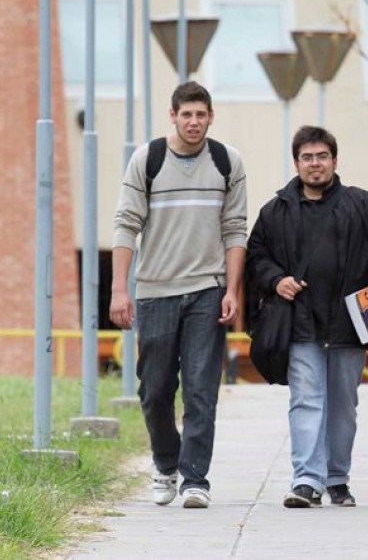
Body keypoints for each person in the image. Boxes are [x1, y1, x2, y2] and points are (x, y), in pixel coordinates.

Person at [247, 126, 368, 509]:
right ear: (296, 162)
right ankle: (306, 480)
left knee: (342, 405)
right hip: (299, 323)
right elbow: (256, 257)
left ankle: (337, 479)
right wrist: (276, 280)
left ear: (335, 161)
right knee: (306, 400)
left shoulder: (364, 206)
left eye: (322, 156)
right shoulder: (275, 211)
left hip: (351, 324)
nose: (315, 164)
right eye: (307, 157)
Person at [110, 81, 247, 509]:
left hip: (207, 290)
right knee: (154, 390)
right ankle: (166, 463)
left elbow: (235, 230)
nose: (193, 122)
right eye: (185, 114)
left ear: (211, 117)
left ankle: (194, 479)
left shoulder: (228, 162)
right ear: (172, 115)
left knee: (202, 390)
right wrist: (120, 289)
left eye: (200, 114)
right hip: (154, 292)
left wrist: (232, 290)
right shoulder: (147, 159)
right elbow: (125, 225)